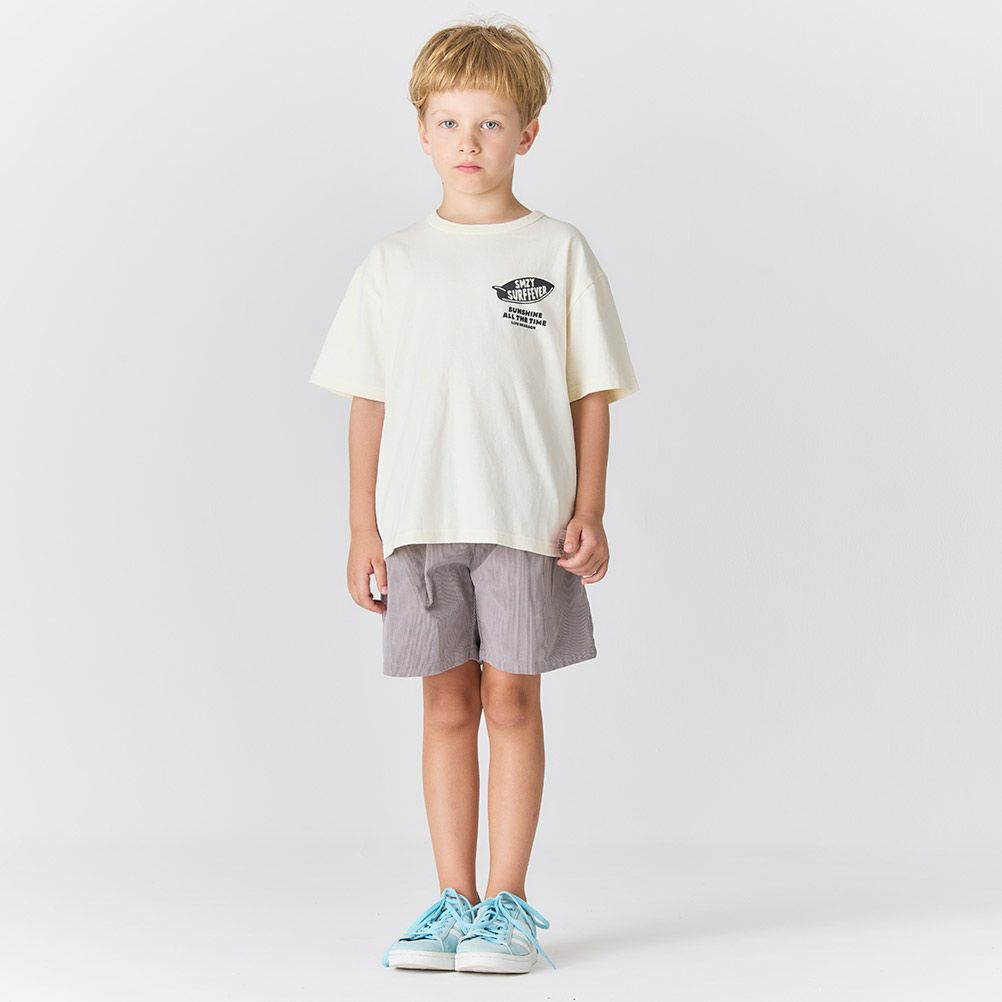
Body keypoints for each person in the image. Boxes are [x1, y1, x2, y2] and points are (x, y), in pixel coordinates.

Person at [309, 19, 640, 975]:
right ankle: (452, 901)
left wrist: (590, 509)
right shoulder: (393, 263)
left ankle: (509, 904)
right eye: (450, 122)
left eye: (490, 123)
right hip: (420, 525)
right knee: (447, 706)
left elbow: (590, 395)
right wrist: (363, 526)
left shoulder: (559, 251)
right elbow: (368, 401)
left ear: (527, 132)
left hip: (526, 521)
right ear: (422, 131)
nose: (469, 142)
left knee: (514, 702)